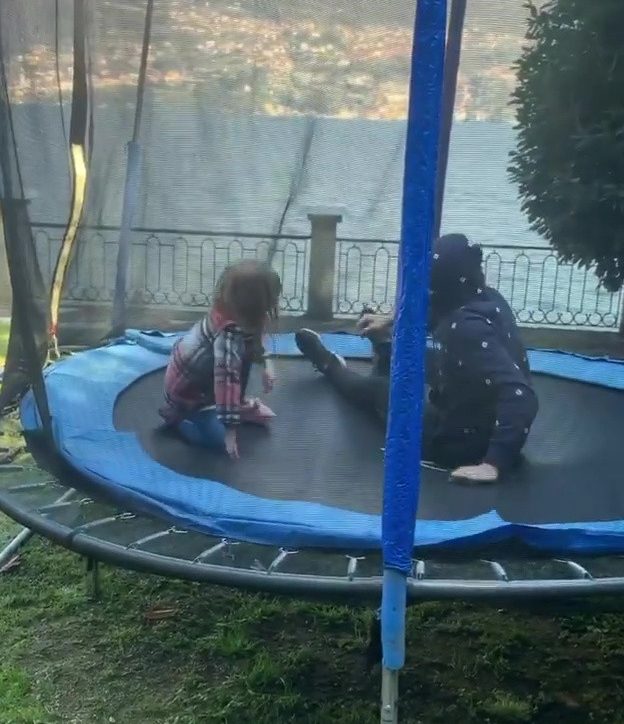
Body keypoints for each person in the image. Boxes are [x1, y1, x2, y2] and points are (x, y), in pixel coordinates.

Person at [295, 233, 538, 484]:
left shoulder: (464, 328)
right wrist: (391, 319)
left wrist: (492, 464)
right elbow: (439, 314)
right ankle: (386, 348)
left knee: (383, 390)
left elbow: (521, 395)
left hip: (459, 446)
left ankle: (330, 365)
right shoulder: (489, 297)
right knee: (422, 360)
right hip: (469, 403)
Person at [159, 260, 281, 459]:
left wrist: (268, 365)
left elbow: (256, 341)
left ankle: (233, 407)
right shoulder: (228, 333)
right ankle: (179, 419)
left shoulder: (239, 315)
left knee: (246, 351)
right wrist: (230, 429)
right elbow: (227, 380)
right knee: (218, 442)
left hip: (206, 382)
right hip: (188, 396)